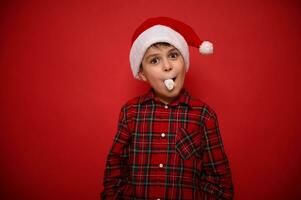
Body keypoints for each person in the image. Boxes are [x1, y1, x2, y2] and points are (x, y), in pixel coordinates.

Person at [101, 17, 234, 200]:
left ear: (184, 62)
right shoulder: (130, 113)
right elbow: (115, 171)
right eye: (155, 60)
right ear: (141, 73)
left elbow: (219, 183)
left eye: (173, 55)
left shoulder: (204, 115)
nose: (167, 66)